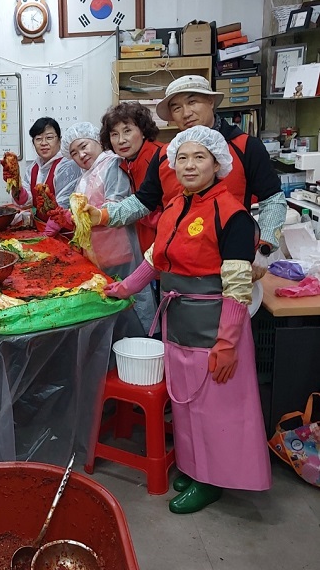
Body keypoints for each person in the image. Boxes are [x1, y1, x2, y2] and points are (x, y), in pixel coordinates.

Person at [102, 126, 271, 514]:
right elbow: (156, 260)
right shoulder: (175, 206)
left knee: (216, 409)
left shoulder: (232, 214)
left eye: (199, 157)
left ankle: (214, 480)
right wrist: (125, 288)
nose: (189, 165)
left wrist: (227, 343)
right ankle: (196, 470)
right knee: (187, 406)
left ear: (217, 163)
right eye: (182, 158)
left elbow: (237, 285)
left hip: (215, 329)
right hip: (178, 323)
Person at [91, 76, 286, 257]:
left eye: (192, 102)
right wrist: (102, 215)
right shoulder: (165, 155)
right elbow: (142, 202)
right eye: (176, 108)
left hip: (231, 259)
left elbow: (272, 199)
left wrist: (264, 247)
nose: (186, 113)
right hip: (177, 262)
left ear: (211, 101)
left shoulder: (245, 146)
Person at [47, 122, 155, 336]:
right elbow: (83, 212)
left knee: (130, 301)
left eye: (84, 146)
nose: (81, 155)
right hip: (98, 253)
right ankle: (118, 343)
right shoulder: (85, 175)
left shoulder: (111, 164)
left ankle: (143, 339)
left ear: (96, 140)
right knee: (111, 301)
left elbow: (116, 205)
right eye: (74, 153)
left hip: (119, 248)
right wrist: (69, 218)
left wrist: (88, 216)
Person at [99, 102, 165, 254]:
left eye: (127, 131)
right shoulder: (126, 163)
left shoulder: (159, 157)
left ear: (143, 131)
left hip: (164, 246)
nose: (121, 140)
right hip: (147, 247)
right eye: (114, 134)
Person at [5, 117, 80, 232]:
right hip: (41, 227)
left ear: (59, 140)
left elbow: (63, 206)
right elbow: (24, 202)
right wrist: (15, 183)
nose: (44, 143)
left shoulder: (67, 166)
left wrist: (47, 234)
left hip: (64, 232)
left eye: (49, 138)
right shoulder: (33, 168)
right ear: (33, 143)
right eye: (38, 139)